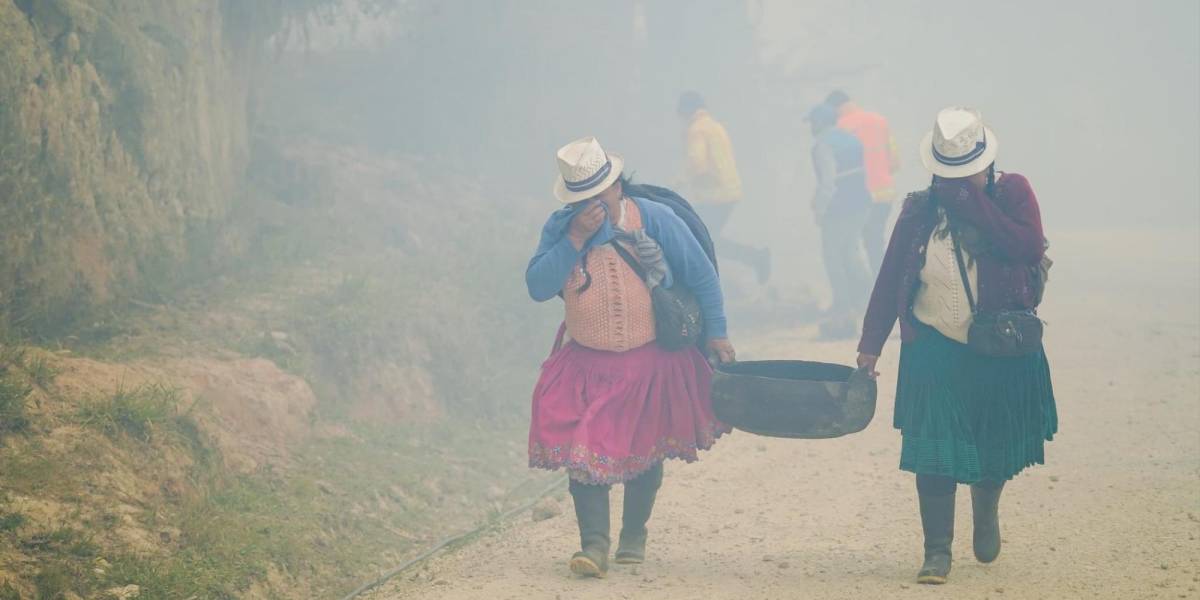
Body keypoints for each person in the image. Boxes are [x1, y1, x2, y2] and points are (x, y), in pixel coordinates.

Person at [855, 108, 1057, 585]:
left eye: (964, 174)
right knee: (933, 447)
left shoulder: (1013, 193)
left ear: (986, 164)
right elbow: (889, 279)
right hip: (932, 345)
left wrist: (974, 206)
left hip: (1000, 344)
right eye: (947, 177)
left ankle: (985, 513)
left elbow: (1026, 247)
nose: (954, 184)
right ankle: (936, 551)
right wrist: (870, 344)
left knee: (993, 441)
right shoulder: (919, 210)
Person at [525, 137, 736, 578]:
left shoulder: (655, 219)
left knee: (645, 448)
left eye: (598, 195)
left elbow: (702, 276)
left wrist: (717, 334)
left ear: (618, 186)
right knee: (583, 454)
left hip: (650, 360)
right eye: (581, 200)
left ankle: (633, 535)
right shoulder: (562, 229)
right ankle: (594, 546)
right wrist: (576, 238)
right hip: (587, 363)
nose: (591, 206)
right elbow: (538, 286)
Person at [677, 91, 771, 284]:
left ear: (686, 111)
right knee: (707, 238)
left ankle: (753, 259)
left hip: (714, 195)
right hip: (730, 191)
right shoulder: (715, 126)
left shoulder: (696, 129)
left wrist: (678, 182)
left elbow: (698, 163)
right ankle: (752, 259)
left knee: (701, 238)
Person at [807, 103, 874, 339]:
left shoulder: (822, 145)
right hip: (862, 204)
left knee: (833, 256)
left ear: (821, 122)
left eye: (812, 122)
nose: (811, 127)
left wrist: (819, 209)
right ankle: (870, 300)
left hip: (839, 208)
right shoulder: (852, 139)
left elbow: (828, 181)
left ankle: (843, 307)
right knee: (850, 252)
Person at [825, 90, 902, 273]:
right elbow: (895, 163)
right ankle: (885, 284)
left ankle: (871, 289)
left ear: (834, 109)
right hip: (885, 193)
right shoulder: (879, 121)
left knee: (851, 244)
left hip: (858, 196)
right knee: (875, 241)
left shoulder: (839, 128)